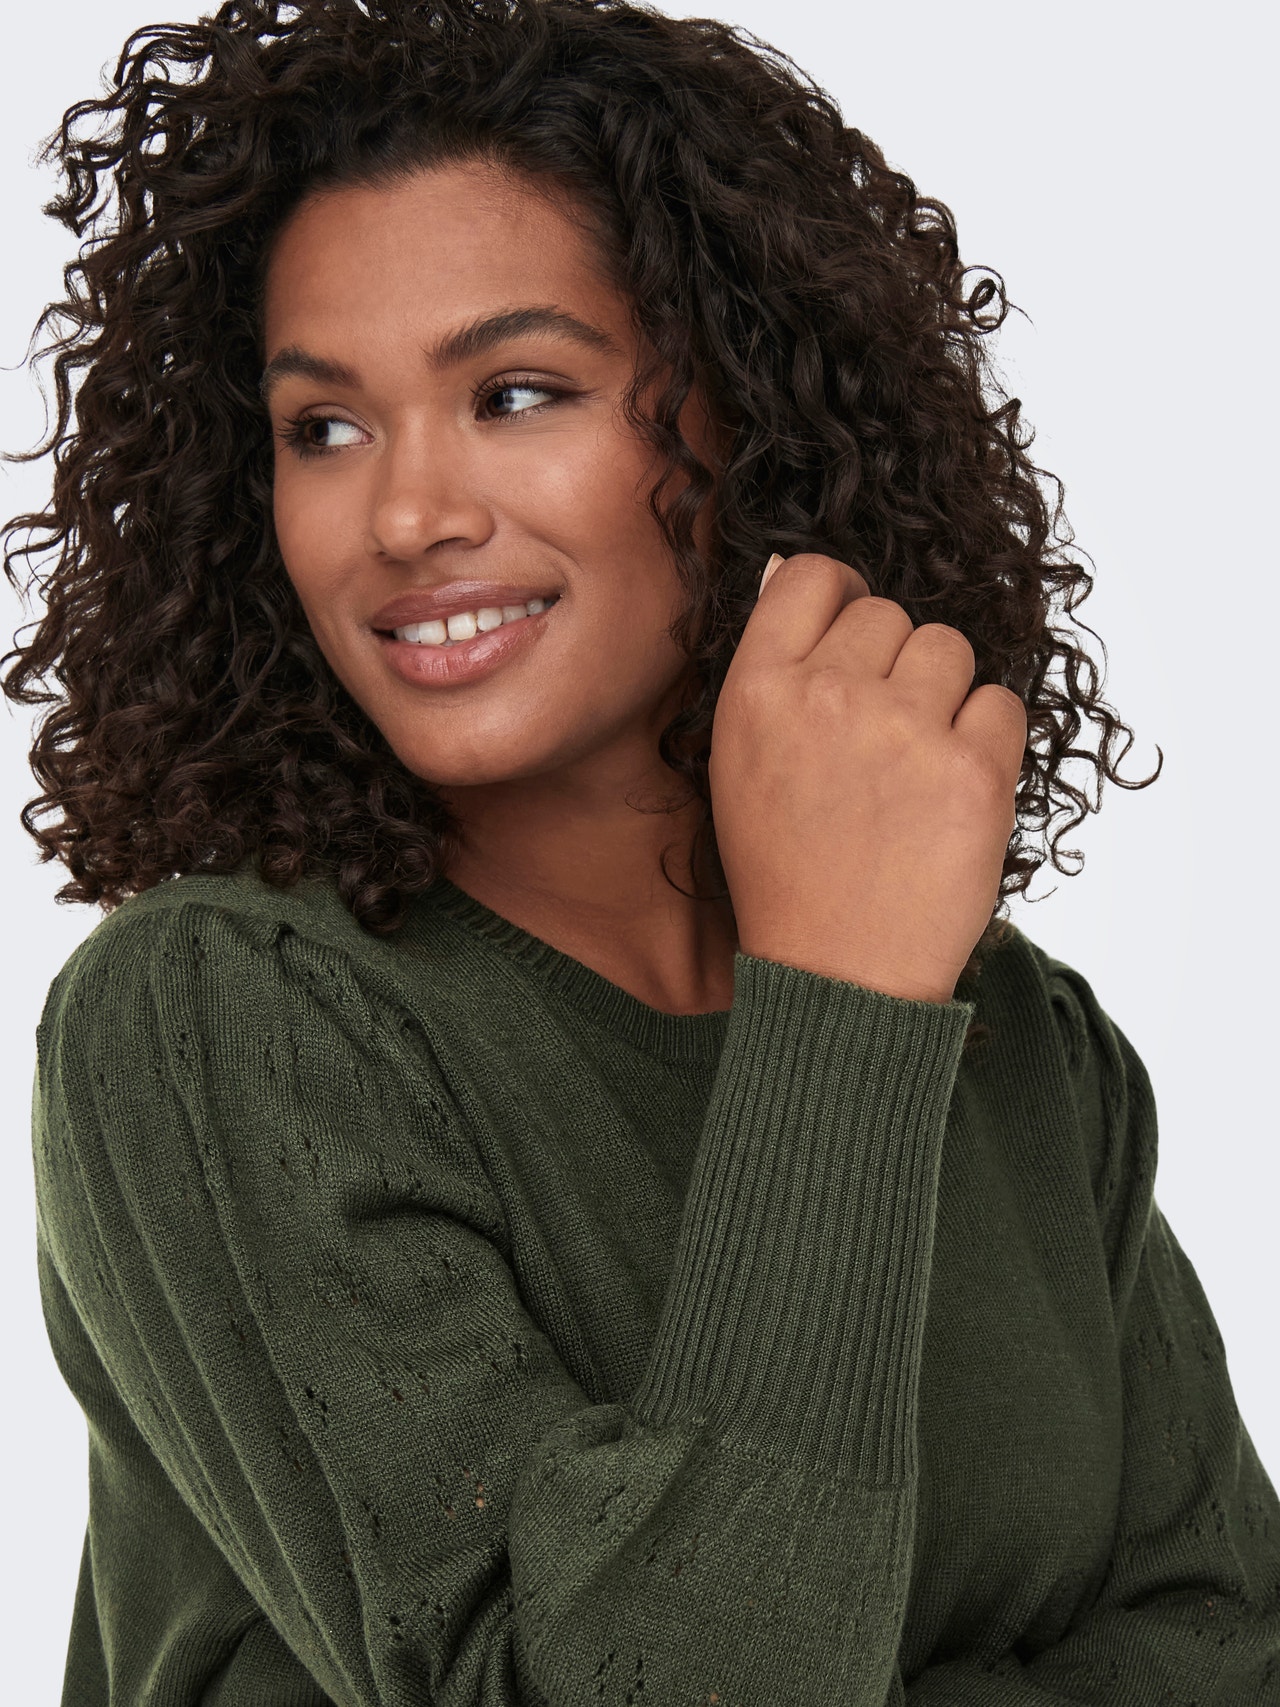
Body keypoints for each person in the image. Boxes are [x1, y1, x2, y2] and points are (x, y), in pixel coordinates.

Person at [7, 0, 1277, 1700]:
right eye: (324, 428)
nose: (405, 515)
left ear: (749, 419)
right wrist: (839, 1010)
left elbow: (1234, 1640)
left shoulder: (1019, 1042)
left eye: (516, 393)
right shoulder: (220, 1020)